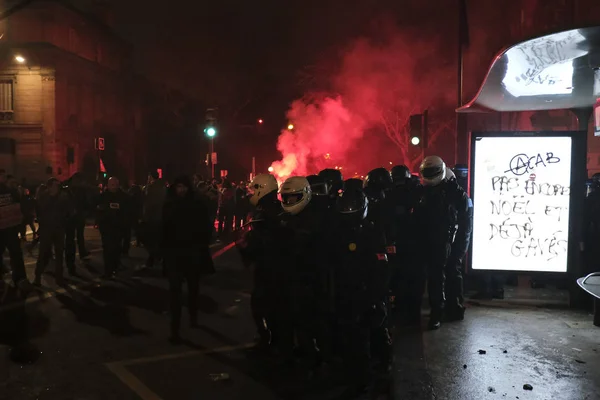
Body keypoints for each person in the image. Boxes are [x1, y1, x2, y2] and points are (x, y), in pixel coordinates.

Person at [331, 181, 391, 397]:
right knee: (351, 337)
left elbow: (381, 269)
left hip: (367, 293)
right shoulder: (338, 233)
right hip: (346, 292)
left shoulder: (373, 232)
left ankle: (373, 375)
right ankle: (358, 375)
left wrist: (376, 297)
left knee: (372, 334)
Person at [413, 156, 473, 330]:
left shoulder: (454, 192)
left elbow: (465, 223)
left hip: (448, 241)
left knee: (450, 274)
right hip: (433, 241)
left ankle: (451, 309)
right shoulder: (424, 190)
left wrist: (460, 248)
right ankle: (437, 312)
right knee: (436, 278)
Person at [162, 175, 213, 344]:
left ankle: (193, 315)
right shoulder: (169, 204)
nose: (181, 190)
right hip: (175, 253)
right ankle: (174, 328)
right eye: (178, 187)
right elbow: (164, 228)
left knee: (193, 288)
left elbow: (205, 227)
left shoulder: (197, 204)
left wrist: (202, 245)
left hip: (192, 252)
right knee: (174, 291)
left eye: (184, 186)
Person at [236, 173, 282, 351]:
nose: (251, 193)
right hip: (276, 268)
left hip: (269, 268)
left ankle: (269, 341)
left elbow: (259, 247)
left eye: (255, 189)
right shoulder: (276, 208)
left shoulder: (265, 214)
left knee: (263, 306)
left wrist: (243, 247)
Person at [34, 178, 73, 286]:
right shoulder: (44, 197)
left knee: (59, 254)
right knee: (43, 254)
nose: (58, 188)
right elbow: (39, 212)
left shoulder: (63, 197)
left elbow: (69, 211)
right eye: (56, 185)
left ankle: (59, 277)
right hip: (47, 229)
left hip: (59, 229)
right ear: (50, 187)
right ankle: (37, 276)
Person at [0, 169, 29, 289]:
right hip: (10, 230)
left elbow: (19, 209)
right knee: (16, 254)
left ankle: (19, 278)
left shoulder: (11, 191)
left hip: (9, 230)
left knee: (16, 254)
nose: (3, 178)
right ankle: (19, 278)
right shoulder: (11, 191)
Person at [97, 177, 130, 279]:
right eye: (111, 185)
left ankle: (115, 267)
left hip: (118, 228)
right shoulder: (103, 197)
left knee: (116, 249)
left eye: (115, 184)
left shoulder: (123, 197)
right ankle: (108, 271)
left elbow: (127, 212)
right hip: (106, 228)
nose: (114, 187)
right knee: (107, 250)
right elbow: (98, 209)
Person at [64, 172, 91, 273]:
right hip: (72, 218)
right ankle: (72, 260)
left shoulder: (77, 190)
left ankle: (76, 257)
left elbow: (85, 202)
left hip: (76, 217)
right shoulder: (69, 190)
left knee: (75, 237)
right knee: (72, 238)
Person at [142, 171, 167, 269]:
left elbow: (147, 204)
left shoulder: (150, 188)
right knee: (157, 239)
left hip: (152, 217)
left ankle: (155, 257)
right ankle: (153, 259)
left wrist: (144, 216)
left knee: (150, 239)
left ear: (151, 177)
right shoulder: (164, 188)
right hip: (161, 217)